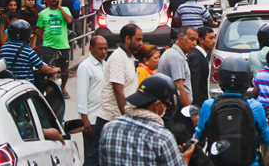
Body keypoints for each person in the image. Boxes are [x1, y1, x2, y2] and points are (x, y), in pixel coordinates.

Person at [98, 74, 195, 166]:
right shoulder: (162, 137)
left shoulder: (109, 128)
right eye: (167, 105)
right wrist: (185, 159)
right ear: (157, 105)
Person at [195, 57, 269, 166]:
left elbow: (199, 137)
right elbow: (268, 140)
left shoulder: (209, 104)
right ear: (247, 81)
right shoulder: (254, 106)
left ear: (220, 79)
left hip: (216, 162)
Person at [84, 24, 143, 166]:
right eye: (138, 39)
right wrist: (127, 118)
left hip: (120, 118)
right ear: (127, 39)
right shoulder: (118, 57)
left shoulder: (129, 58)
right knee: (95, 158)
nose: (141, 43)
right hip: (110, 119)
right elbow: (118, 91)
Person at [158, 26, 198, 134]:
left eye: (196, 40)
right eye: (192, 39)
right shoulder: (176, 57)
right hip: (178, 109)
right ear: (181, 39)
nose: (195, 44)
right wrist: (191, 113)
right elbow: (179, 88)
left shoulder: (172, 53)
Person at [36, 0, 73, 99]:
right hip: (48, 45)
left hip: (63, 45)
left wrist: (60, 7)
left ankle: (63, 87)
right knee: (50, 70)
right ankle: (51, 92)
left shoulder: (65, 9)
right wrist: (37, 46)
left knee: (65, 69)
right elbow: (39, 31)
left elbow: (69, 21)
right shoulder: (43, 13)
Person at [78, 36, 108, 156]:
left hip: (105, 118)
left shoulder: (106, 65)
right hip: (92, 120)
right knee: (91, 155)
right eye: (100, 49)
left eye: (105, 49)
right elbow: (82, 94)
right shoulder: (85, 67)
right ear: (91, 49)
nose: (103, 52)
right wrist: (85, 119)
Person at [188, 26, 215, 107]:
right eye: (211, 38)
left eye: (214, 38)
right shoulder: (196, 57)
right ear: (201, 40)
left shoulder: (201, 56)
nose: (214, 41)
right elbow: (195, 85)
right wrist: (197, 108)